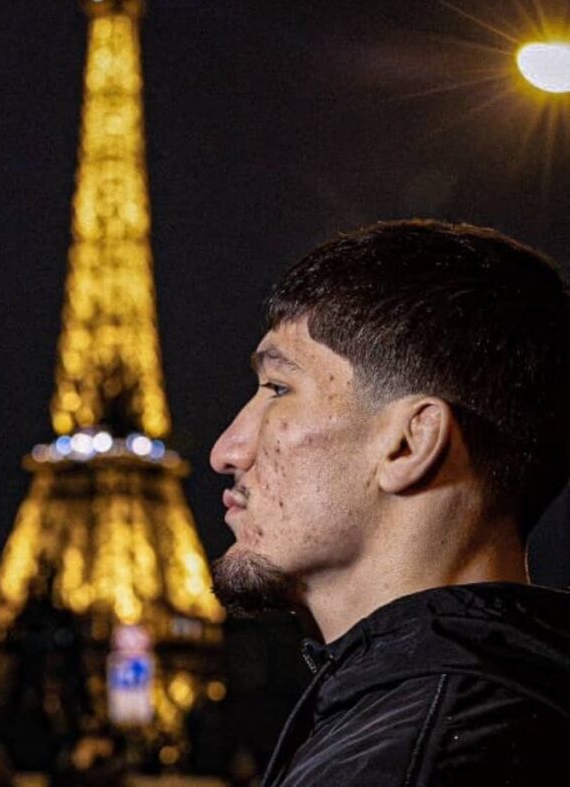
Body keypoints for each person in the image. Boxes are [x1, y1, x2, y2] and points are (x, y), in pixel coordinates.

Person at [209, 219, 570, 786]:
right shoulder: (508, 712)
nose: (226, 450)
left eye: (278, 388)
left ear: (410, 443)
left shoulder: (407, 759)